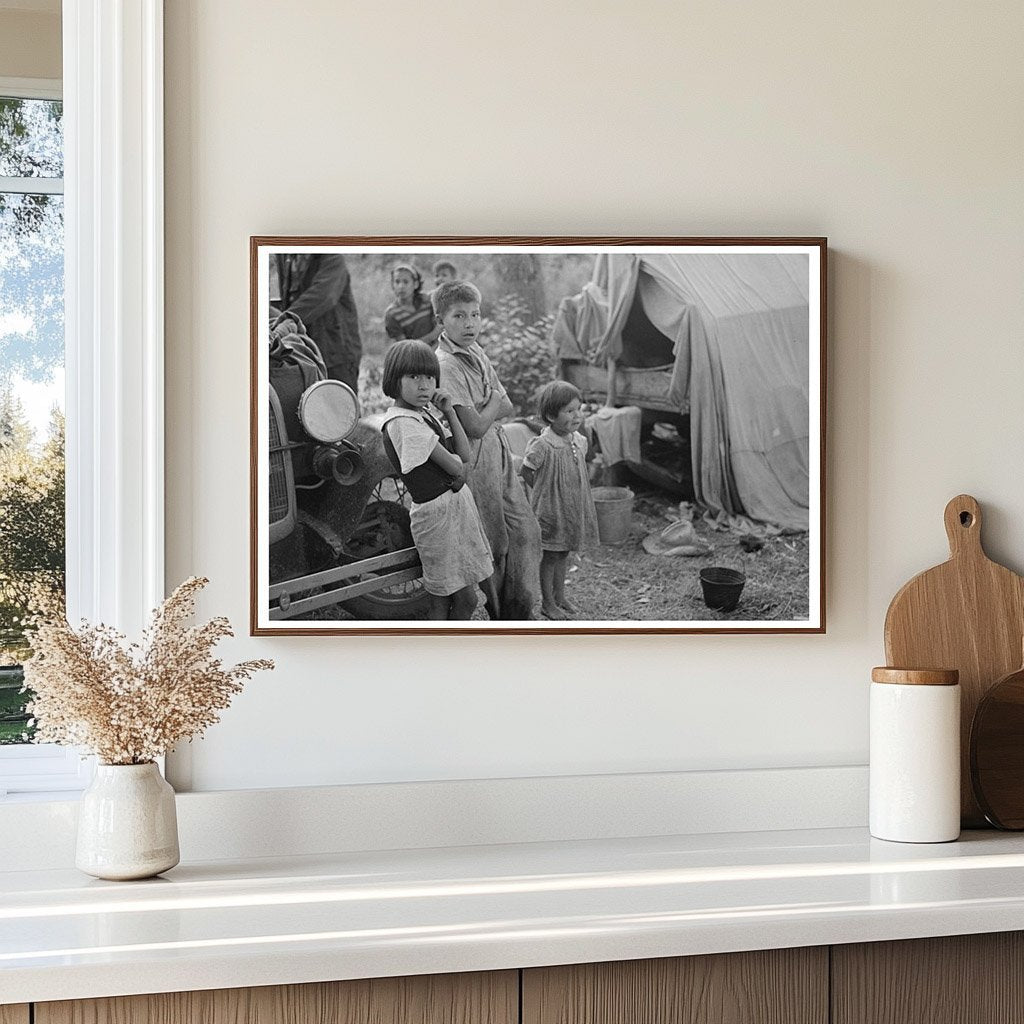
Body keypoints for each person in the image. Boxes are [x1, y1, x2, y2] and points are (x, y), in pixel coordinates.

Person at [435, 281, 541, 620]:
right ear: (442, 320)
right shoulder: (446, 365)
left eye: (476, 315)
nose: (469, 324)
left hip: (498, 449)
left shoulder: (476, 351)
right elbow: (475, 426)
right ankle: (501, 618)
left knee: (525, 531)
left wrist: (490, 405)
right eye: (459, 316)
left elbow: (508, 406)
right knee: (492, 542)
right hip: (474, 458)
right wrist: (492, 400)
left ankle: (520, 610)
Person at [379, 340, 493, 620]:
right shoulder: (403, 423)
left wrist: (450, 412)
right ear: (394, 380)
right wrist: (460, 467)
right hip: (437, 517)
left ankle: (440, 651)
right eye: (414, 377)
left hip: (451, 510)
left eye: (430, 377)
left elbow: (464, 452)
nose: (424, 385)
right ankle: (445, 653)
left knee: (444, 599)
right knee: (463, 599)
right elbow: (457, 467)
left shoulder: (421, 415)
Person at [521, 381, 599, 620]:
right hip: (551, 510)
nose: (577, 416)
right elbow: (526, 471)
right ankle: (548, 602)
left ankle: (560, 595)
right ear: (550, 416)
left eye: (579, 409)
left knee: (564, 552)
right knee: (551, 556)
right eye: (569, 411)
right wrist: (545, 493)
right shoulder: (543, 445)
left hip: (571, 508)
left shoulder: (579, 440)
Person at [273, 254, 362, 391]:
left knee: (341, 406)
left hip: (337, 353)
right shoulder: (290, 258)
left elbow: (324, 295)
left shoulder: (332, 258)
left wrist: (289, 319)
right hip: (308, 353)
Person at [384, 263, 441, 347]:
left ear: (415, 284)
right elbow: (406, 347)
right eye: (397, 282)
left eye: (406, 282)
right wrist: (433, 335)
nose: (401, 286)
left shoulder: (427, 301)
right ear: (392, 285)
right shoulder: (392, 314)